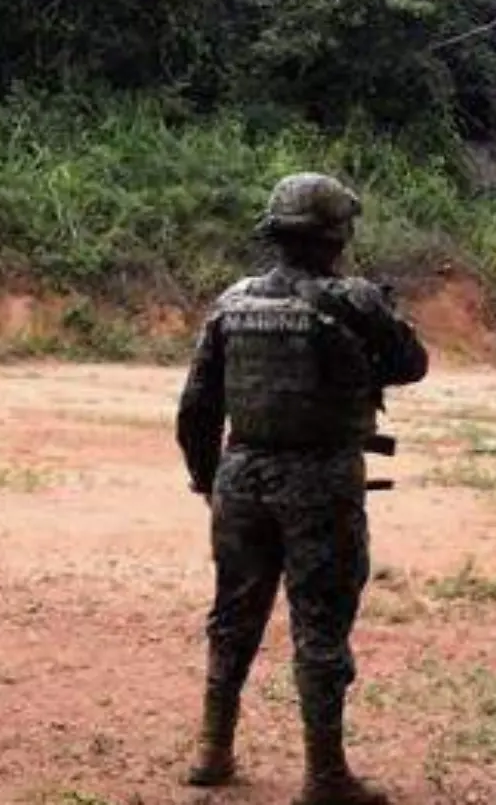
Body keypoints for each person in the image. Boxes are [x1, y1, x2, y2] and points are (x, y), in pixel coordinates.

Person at [175, 172, 428, 805]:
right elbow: (411, 364)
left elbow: (196, 407)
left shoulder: (231, 303)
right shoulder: (352, 301)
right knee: (320, 625)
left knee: (233, 616)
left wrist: (210, 480)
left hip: (241, 477)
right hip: (319, 482)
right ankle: (324, 777)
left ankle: (212, 751)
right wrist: (378, 312)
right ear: (337, 234)